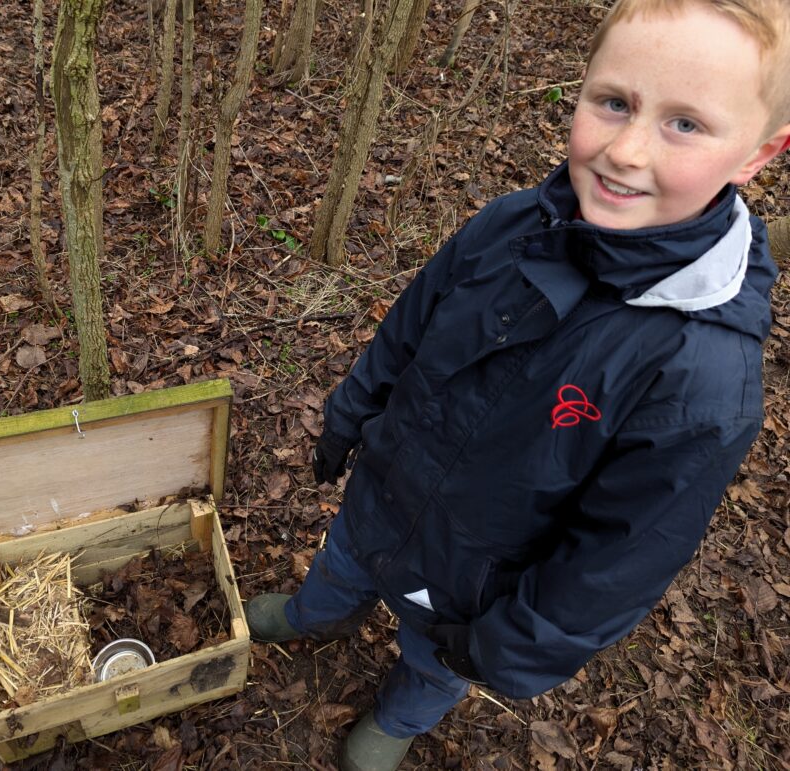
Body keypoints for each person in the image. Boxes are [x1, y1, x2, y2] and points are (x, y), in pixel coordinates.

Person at [246, 2, 790, 770]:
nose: (627, 152)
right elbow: (410, 323)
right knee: (343, 561)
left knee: (435, 662)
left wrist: (505, 647)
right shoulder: (511, 224)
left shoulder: (702, 380)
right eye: (614, 102)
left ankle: (401, 716)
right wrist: (350, 413)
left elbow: (617, 559)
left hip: (474, 583)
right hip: (385, 486)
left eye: (685, 125)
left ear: (758, 155)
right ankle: (315, 614)